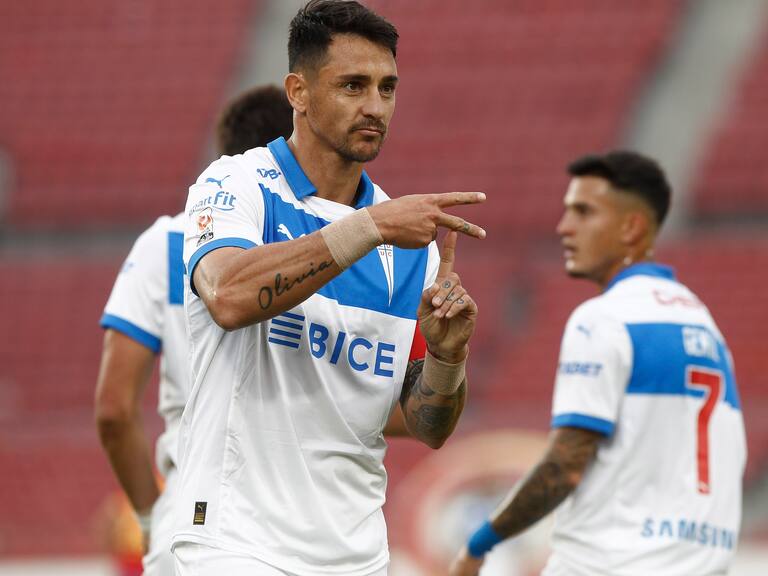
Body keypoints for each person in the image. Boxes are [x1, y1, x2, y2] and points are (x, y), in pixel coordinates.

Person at [171, 1, 486, 574]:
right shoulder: (238, 184)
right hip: (238, 542)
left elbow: (426, 424)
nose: (375, 106)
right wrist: (369, 228)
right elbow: (227, 297)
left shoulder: (407, 239)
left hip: (357, 554)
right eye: (352, 85)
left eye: (387, 88)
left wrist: (448, 355)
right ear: (299, 91)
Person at [451, 151, 746, 576]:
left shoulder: (605, 318)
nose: (563, 227)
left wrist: (478, 544)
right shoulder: (708, 329)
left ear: (632, 227)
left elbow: (565, 466)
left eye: (583, 212)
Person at [95, 84, 294, 576]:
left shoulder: (169, 242)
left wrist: (149, 516)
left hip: (196, 518)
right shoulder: (328, 251)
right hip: (312, 526)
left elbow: (114, 411)